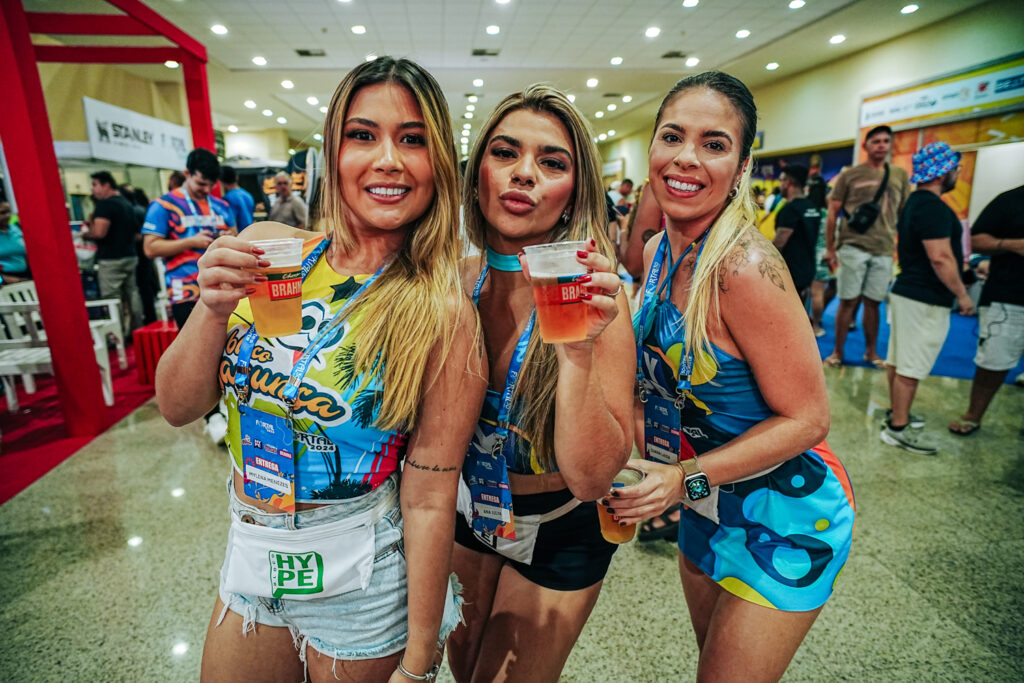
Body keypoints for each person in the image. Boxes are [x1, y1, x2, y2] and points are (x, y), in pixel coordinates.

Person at [154, 56, 486, 683]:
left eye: (411, 139)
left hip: (360, 577)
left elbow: (429, 495)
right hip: (253, 551)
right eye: (363, 135)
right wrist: (212, 308)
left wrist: (419, 659)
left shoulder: (441, 310)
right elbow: (176, 407)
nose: (387, 159)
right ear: (332, 153)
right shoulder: (268, 252)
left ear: (437, 162)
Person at [611, 71, 854, 681]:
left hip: (785, 518)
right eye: (673, 136)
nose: (687, 158)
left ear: (742, 167)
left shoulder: (742, 269)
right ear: (653, 151)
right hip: (704, 503)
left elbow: (809, 419)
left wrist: (683, 479)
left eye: (714, 144)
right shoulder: (659, 249)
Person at [447, 85, 634, 683]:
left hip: (561, 524)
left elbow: (592, 476)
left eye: (552, 162)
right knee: (462, 667)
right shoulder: (452, 283)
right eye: (505, 153)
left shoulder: (597, 297)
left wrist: (576, 350)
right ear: (477, 173)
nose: (524, 174)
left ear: (575, 189)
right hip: (469, 514)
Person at [881, 142, 972, 455]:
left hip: (909, 293)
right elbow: (941, 258)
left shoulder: (915, 202)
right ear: (942, 171)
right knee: (912, 365)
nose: (957, 175)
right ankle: (898, 429)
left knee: (899, 359)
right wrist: (963, 295)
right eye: (955, 169)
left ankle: (897, 414)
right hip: (925, 297)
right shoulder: (932, 207)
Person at [143, 148, 236, 444]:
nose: (205, 190)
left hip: (225, 289)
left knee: (226, 350)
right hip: (186, 291)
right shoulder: (164, 206)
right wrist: (190, 242)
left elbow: (235, 236)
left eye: (209, 185)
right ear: (186, 175)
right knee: (200, 353)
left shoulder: (220, 205)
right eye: (199, 184)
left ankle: (227, 408)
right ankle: (211, 418)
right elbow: (151, 247)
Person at [823, 125, 911, 367]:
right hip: (853, 245)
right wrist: (830, 248)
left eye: (885, 141)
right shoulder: (851, 175)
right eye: (876, 141)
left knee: (874, 302)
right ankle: (837, 351)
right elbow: (833, 212)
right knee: (848, 300)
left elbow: (904, 213)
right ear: (866, 146)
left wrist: (904, 249)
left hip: (883, 248)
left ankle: (871, 351)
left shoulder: (899, 175)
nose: (881, 145)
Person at [949, 184, 1024, 436]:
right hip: (1009, 296)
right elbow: (975, 240)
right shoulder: (1011, 200)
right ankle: (974, 414)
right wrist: (1014, 245)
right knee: (994, 359)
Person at [85, 171, 144, 333]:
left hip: (111, 259)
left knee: (112, 299)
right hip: (130, 256)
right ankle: (137, 331)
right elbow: (137, 234)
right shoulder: (127, 204)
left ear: (106, 185)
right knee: (132, 294)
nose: (93, 190)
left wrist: (85, 234)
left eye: (95, 185)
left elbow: (99, 232)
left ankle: (116, 335)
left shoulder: (105, 205)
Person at [772, 164, 820, 304]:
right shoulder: (812, 207)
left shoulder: (790, 210)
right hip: (807, 269)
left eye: (781, 180)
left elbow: (779, 244)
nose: (780, 184)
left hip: (790, 272)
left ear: (788, 183)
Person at [807, 174, 837, 337]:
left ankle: (804, 323)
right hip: (823, 256)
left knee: (804, 293)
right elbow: (834, 237)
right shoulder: (827, 215)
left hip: (806, 255)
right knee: (818, 293)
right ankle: (815, 325)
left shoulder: (808, 211)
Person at [0, 202, 30, 283]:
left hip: (24, 276)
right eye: (2, 213)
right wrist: (2, 280)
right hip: (4, 280)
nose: (7, 216)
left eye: (8, 211)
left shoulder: (16, 229)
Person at [221, 166, 255, 231]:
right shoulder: (248, 195)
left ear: (221, 181)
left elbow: (231, 222)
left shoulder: (227, 198)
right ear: (237, 178)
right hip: (249, 233)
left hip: (238, 236)